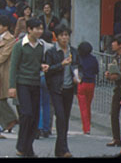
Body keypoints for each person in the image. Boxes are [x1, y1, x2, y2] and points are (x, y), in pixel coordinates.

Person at [9, 18, 49, 158]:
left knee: (34, 117)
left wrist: (42, 66)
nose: (39, 31)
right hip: (22, 83)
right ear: (29, 29)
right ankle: (21, 146)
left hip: (36, 83)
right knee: (26, 114)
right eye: (37, 28)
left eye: (41, 28)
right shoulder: (19, 45)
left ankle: (28, 147)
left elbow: (37, 63)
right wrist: (12, 86)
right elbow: (13, 67)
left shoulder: (40, 46)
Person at [44, 24, 80, 158]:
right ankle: (64, 148)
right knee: (60, 117)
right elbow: (48, 70)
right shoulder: (52, 52)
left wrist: (77, 76)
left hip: (69, 88)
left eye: (66, 35)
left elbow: (77, 66)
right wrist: (62, 65)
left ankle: (59, 150)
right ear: (57, 37)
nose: (64, 38)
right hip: (56, 89)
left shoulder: (74, 51)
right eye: (62, 35)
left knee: (65, 118)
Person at [0, 15, 18, 134]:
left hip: (4, 70)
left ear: (5, 27)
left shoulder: (10, 39)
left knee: (0, 97)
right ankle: (9, 121)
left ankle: (10, 120)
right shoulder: (0, 38)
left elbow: (5, 54)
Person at [105, 33, 121, 147]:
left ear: (120, 45)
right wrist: (109, 76)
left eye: (114, 42)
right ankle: (116, 138)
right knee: (114, 113)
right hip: (118, 88)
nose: (112, 44)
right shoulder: (115, 57)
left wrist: (118, 76)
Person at [76, 41, 99, 135]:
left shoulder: (79, 59)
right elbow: (97, 71)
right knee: (88, 105)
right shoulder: (94, 59)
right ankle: (88, 124)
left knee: (83, 107)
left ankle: (86, 127)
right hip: (91, 83)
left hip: (81, 83)